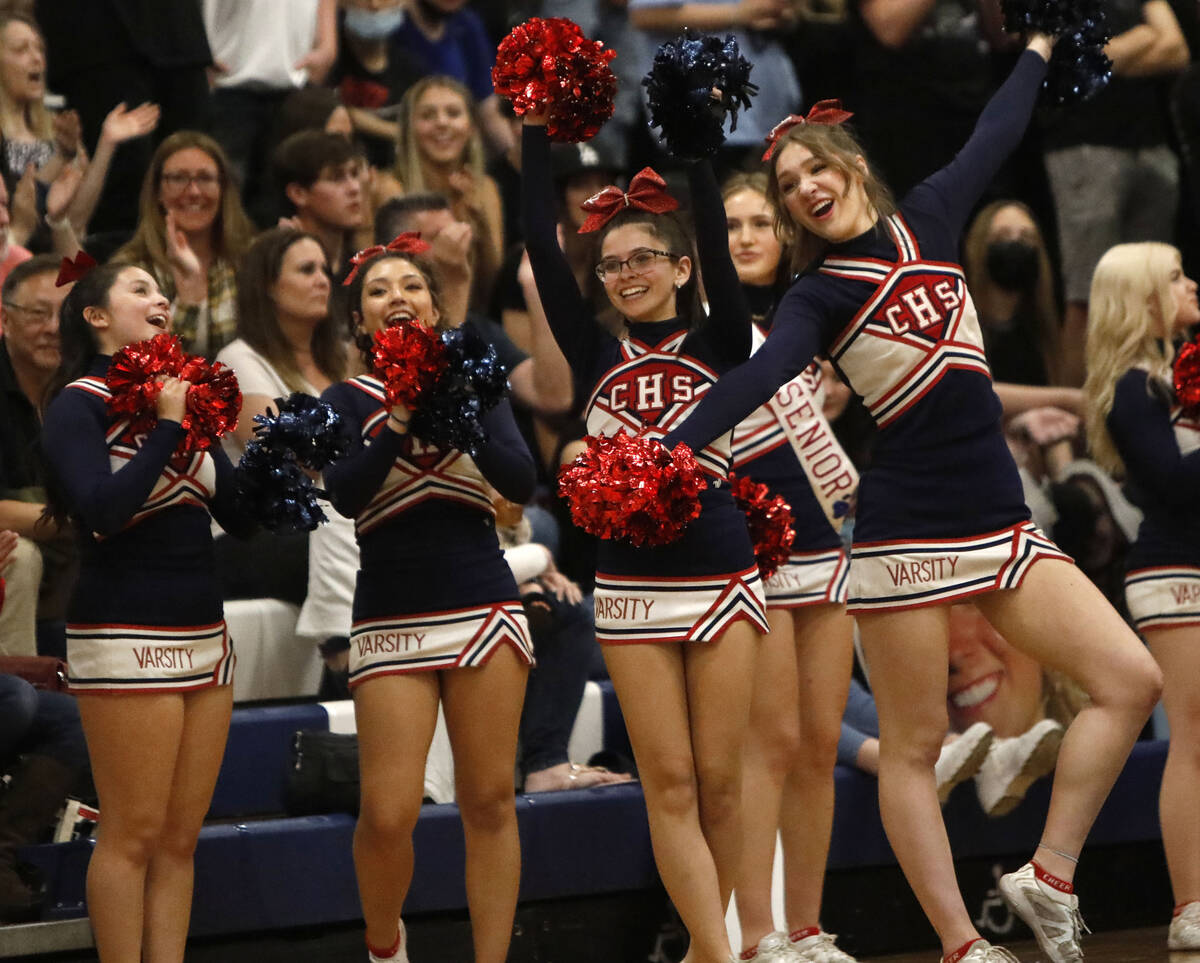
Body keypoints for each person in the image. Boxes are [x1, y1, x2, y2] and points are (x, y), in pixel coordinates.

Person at [660, 33, 1164, 963]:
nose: (808, 187)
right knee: (913, 744)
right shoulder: (816, 292)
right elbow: (764, 372)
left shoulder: (931, 215)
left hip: (1000, 518)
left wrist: (1040, 47)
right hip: (904, 532)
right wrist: (675, 441)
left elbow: (998, 129)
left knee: (1130, 680)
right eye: (790, 185)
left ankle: (1049, 875)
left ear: (853, 167)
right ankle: (962, 945)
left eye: (818, 168)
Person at [522, 109, 770, 963]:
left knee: (724, 782)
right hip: (630, 589)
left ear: (681, 265)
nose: (627, 273)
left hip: (723, 572)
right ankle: (720, 951)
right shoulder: (594, 354)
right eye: (613, 262)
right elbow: (538, 240)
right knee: (668, 783)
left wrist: (699, 147)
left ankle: (712, 949)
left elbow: (720, 252)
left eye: (644, 258)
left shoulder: (721, 340)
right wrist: (531, 130)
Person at [321, 241, 536, 963]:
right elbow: (348, 490)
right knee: (387, 813)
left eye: (412, 284)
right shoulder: (342, 400)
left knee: (489, 799)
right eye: (379, 290)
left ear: (438, 309)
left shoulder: (478, 384)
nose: (397, 295)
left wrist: (457, 407)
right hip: (390, 610)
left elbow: (520, 477)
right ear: (360, 321)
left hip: (480, 598)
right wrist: (403, 414)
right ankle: (386, 948)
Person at [40, 262, 254, 961]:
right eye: (139, 288)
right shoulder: (78, 401)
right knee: (132, 833)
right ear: (95, 316)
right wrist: (167, 426)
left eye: (163, 290)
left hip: (205, 633)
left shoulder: (182, 398)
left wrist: (275, 455)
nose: (159, 297)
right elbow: (101, 513)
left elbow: (242, 517)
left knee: (180, 837)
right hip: (124, 630)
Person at [721, 170, 859, 962]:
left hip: (826, 546)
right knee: (768, 744)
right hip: (753, 554)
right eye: (732, 224)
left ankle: (806, 927)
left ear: (784, 237)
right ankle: (756, 931)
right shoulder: (707, 329)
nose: (744, 236)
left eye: (760, 224)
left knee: (816, 745)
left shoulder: (821, 318)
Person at [1082, 241, 1200, 953]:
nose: (1192, 285)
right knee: (1193, 735)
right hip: (1175, 571)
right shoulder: (1132, 386)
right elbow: (1180, 485)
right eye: (1178, 275)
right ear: (1145, 297)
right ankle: (1190, 902)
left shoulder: (1178, 377)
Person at [213, 227, 347, 604]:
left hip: (327, 523)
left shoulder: (341, 361)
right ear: (269, 285)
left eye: (324, 270)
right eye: (307, 270)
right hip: (255, 536)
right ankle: (341, 655)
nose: (323, 280)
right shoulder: (236, 359)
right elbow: (284, 459)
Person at [0, 13, 159, 245]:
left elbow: (76, 222)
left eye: (40, 50)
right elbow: (17, 213)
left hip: (56, 259)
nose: (37, 59)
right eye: (21, 50)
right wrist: (61, 159)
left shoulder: (58, 132)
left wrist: (107, 142)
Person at [111, 131, 256, 360]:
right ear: (157, 191)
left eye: (205, 178)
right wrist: (189, 300)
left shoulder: (251, 259)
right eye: (179, 178)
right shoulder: (129, 270)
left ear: (223, 188)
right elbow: (149, 364)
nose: (193, 192)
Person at [0, 255, 76, 658]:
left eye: (64, 315)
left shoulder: (85, 387)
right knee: (21, 555)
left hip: (67, 547)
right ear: (4, 320)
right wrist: (77, 516)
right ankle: (20, 696)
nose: (52, 329)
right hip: (17, 548)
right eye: (37, 314)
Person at [201, 0, 337, 224]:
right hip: (229, 86)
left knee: (291, 194)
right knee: (226, 196)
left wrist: (327, 45)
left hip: (295, 85)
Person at [377, 76, 503, 310]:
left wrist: (480, 221)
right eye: (428, 115)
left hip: (475, 317)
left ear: (471, 128)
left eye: (453, 113)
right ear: (409, 128)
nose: (442, 123)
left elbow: (495, 286)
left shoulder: (485, 188)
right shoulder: (389, 188)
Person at [273, 130, 366, 279]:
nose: (354, 187)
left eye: (354, 174)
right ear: (299, 194)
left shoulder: (362, 266)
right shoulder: (276, 268)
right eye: (336, 178)